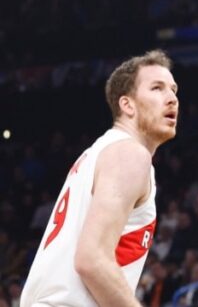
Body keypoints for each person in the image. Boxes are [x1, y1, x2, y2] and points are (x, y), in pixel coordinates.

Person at [21, 51, 178, 307]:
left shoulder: (97, 153)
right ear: (127, 105)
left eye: (174, 90)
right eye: (157, 88)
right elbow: (91, 259)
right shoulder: (130, 154)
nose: (172, 99)